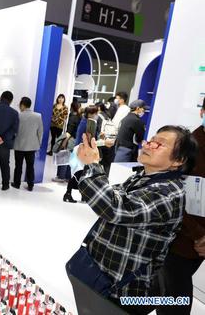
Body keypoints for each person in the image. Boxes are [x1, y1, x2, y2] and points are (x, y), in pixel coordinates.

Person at [69, 126, 198, 315]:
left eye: (159, 144)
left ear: (178, 161)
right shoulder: (143, 177)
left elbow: (114, 208)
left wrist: (93, 165)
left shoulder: (168, 193)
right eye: (151, 140)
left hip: (123, 290)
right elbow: (111, 198)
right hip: (104, 274)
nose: (149, 145)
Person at [157, 98, 205, 315]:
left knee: (169, 292)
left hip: (197, 244)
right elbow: (171, 195)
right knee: (174, 296)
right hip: (181, 240)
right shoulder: (189, 147)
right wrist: (198, 235)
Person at [62, 105, 100, 203]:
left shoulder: (85, 121)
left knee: (79, 173)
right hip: (81, 151)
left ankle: (77, 194)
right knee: (78, 173)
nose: (97, 115)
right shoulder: (88, 123)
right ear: (91, 113)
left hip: (80, 149)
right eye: (96, 113)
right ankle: (68, 194)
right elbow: (90, 139)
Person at [12, 97, 43, 191]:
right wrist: (38, 144)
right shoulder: (38, 116)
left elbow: (14, 131)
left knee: (18, 166)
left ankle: (17, 183)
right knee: (30, 166)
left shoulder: (18, 115)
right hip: (32, 146)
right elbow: (40, 132)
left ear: (22, 105)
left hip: (19, 145)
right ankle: (30, 185)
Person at [52, 101, 82, 183]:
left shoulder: (73, 117)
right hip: (76, 140)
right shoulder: (80, 117)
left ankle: (61, 176)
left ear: (72, 107)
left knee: (64, 157)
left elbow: (69, 132)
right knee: (70, 159)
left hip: (70, 140)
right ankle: (68, 177)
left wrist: (64, 142)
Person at [95, 102, 116, 176]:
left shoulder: (99, 117)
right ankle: (106, 178)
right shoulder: (108, 115)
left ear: (99, 108)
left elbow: (99, 131)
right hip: (110, 141)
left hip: (102, 142)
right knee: (107, 163)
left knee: (98, 162)